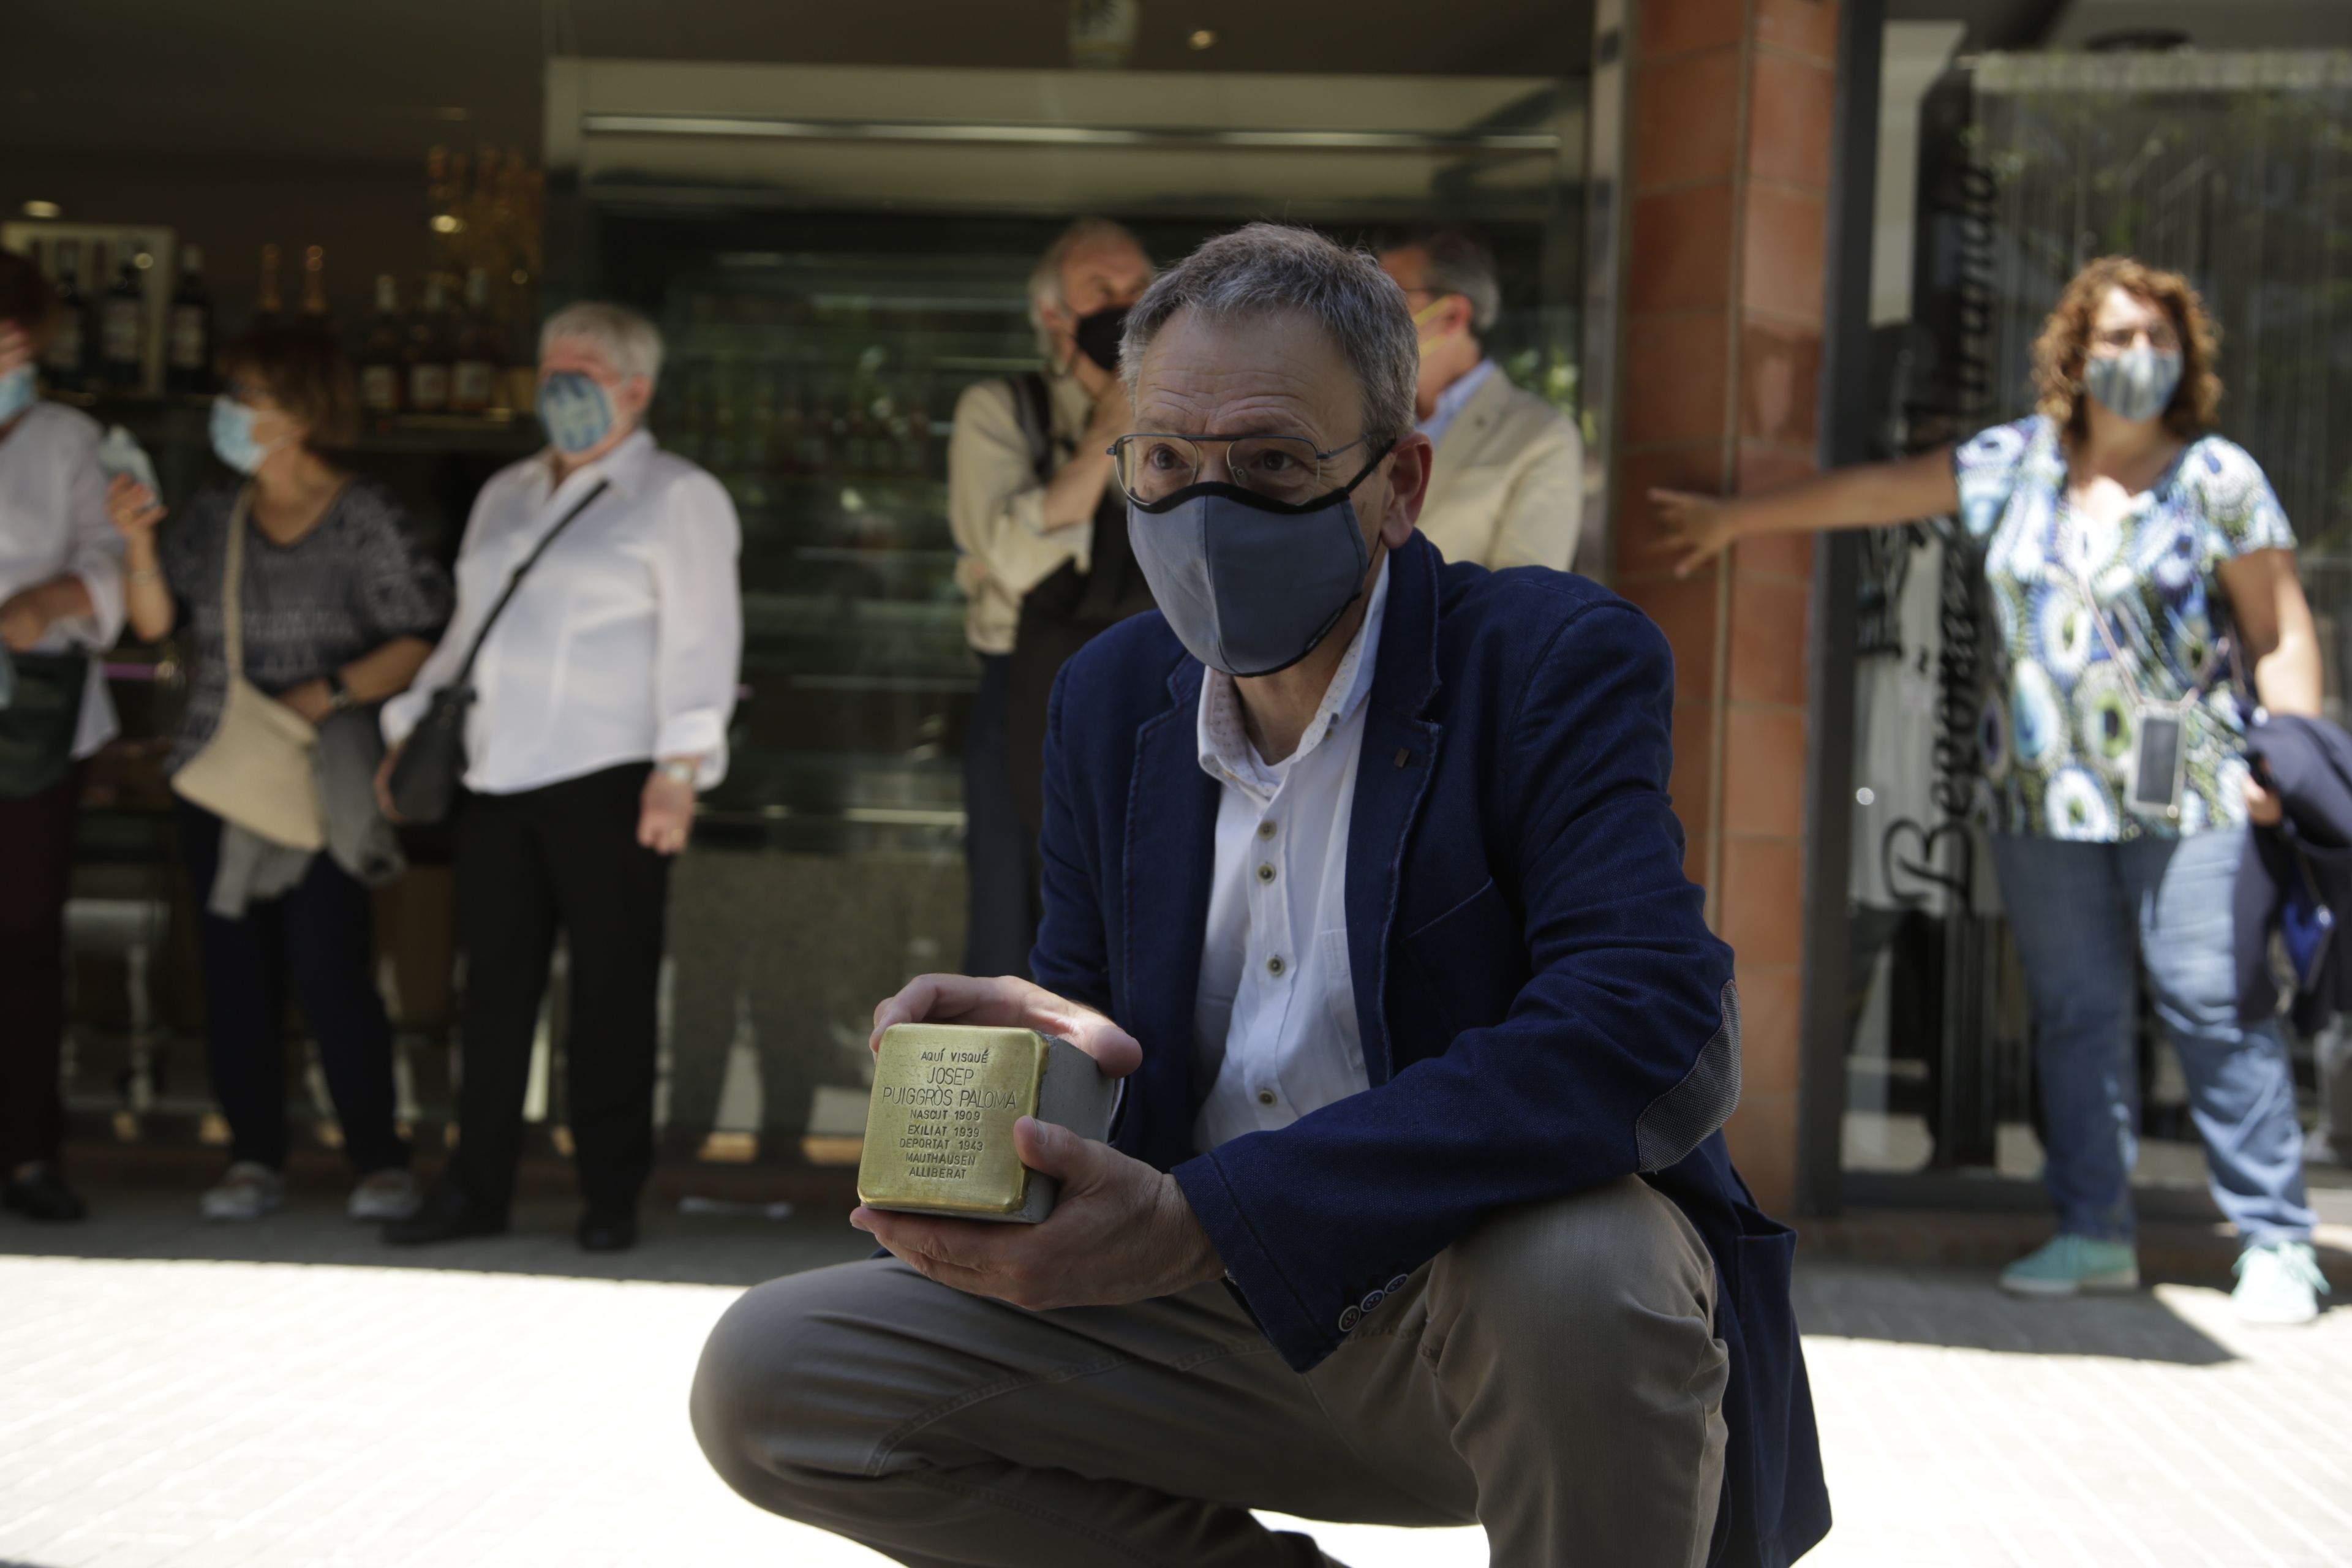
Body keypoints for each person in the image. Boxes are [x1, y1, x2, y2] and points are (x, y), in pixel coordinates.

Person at [693, 224, 1828, 1567]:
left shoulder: (1547, 658)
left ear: (1398, 484)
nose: (1206, 511)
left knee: (1583, 1265)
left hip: (1481, 1320)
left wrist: (1212, 1220)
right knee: (777, 1375)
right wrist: (1042, 1052)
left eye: (1274, 463)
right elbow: (1109, 1022)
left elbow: (1649, 1026)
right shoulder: (1110, 696)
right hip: (1209, 1322)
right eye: (1166, 463)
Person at [1653, 256, 2329, 1325]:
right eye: (2117, 337)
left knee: (2212, 1002)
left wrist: (2285, 760)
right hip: (2040, 798)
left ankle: (2278, 1241)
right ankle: (2094, 1232)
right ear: (2075, 353)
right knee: (2074, 1016)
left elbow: (2279, 626)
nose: (2140, 356)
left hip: (2197, 794)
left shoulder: (2218, 477)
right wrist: (1737, 520)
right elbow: (1876, 492)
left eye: (2160, 338)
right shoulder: (2016, 463)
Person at [380, 301, 742, 1254]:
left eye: (582, 372)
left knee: (611, 997)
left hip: (613, 776)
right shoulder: (505, 492)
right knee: (491, 995)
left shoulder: (678, 495)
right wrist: (409, 726)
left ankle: (610, 1194)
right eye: (549, 371)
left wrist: (680, 768)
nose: (559, 388)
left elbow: (704, 642)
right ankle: (476, 1189)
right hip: (497, 774)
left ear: (637, 389)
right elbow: (467, 631)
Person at [108, 323, 448, 1224]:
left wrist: (324, 695)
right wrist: (137, 544)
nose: (227, 412)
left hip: (321, 777)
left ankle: (378, 1158)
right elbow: (156, 624)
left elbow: (422, 635)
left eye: (246, 396)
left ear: (299, 414)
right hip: (223, 773)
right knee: (233, 977)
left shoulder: (365, 516)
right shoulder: (216, 513)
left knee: (332, 968)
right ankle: (252, 1156)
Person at [948, 217, 1153, 979]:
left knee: (1140, 912)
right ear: (1053, 314)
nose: (1124, 304)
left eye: (1138, 288)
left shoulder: (1185, 411)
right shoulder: (1000, 409)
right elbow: (1007, 558)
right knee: (1012, 918)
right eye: (1101, 290)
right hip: (1024, 699)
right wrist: (1110, 428)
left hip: (1157, 689)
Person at [0, 255, 124, 1224]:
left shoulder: (69, 440)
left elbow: (113, 564)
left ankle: (28, 1151)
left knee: (24, 937)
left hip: (32, 719)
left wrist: (49, 599)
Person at [1376, 228, 1585, 571]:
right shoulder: (1367, 417)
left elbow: (1523, 593)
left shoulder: (1543, 436)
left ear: (1453, 315)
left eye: (1390, 297)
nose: (1372, 313)